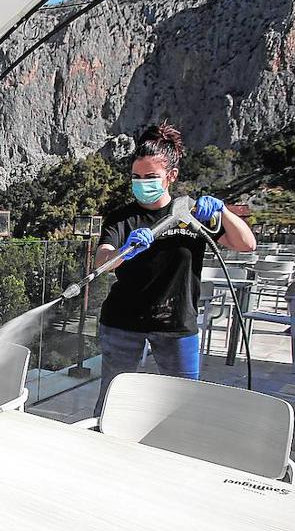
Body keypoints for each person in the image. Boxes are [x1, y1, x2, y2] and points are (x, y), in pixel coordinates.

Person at [94, 122, 257, 412]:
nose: (142, 183)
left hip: (177, 323)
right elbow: (102, 262)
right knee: (113, 399)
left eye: (151, 176)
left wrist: (222, 211)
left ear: (171, 176)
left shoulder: (192, 214)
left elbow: (246, 244)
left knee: (182, 403)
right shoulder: (122, 218)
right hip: (123, 322)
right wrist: (124, 250)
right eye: (136, 177)